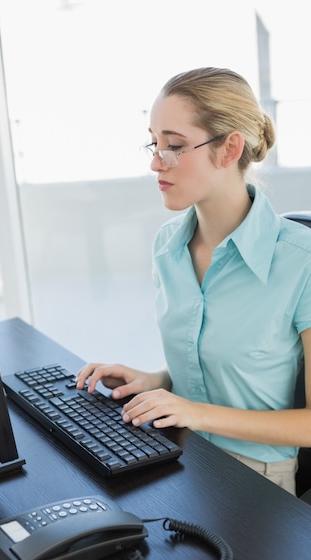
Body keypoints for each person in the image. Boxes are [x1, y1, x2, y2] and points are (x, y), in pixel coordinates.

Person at [75, 66, 311, 496]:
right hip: (180, 452)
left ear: (229, 149)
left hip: (258, 479)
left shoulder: (301, 262)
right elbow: (226, 361)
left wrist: (194, 412)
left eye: (174, 146)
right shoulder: (168, 246)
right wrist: (158, 381)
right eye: (154, 142)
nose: (154, 162)